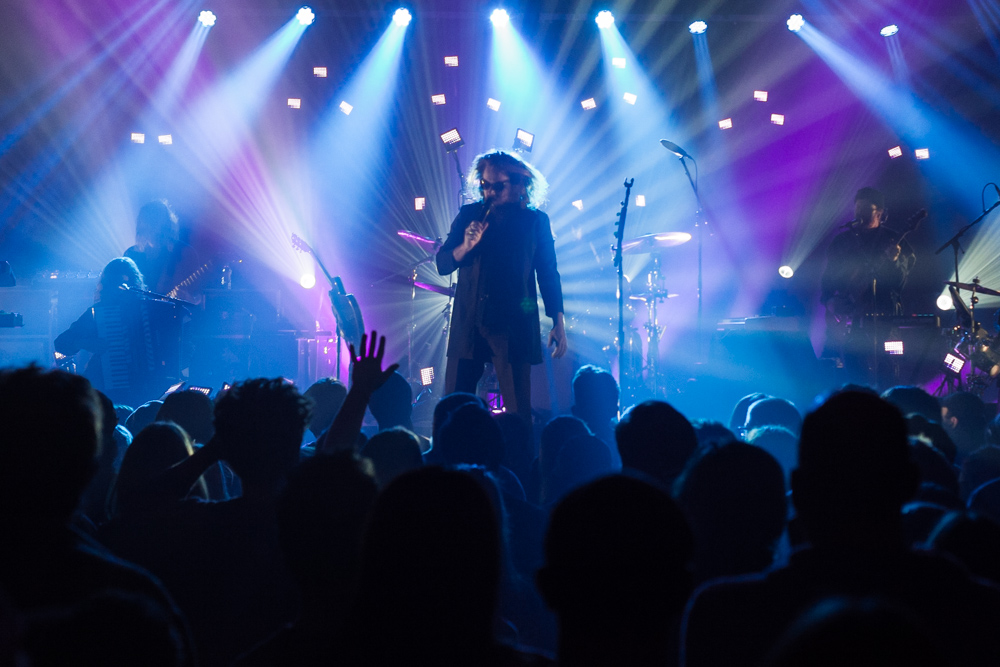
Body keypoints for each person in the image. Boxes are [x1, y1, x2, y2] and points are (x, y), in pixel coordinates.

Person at [436, 150, 567, 422]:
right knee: (453, 410)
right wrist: (465, 246)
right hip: (469, 320)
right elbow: (443, 262)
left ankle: (518, 459)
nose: (489, 192)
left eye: (498, 186)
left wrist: (558, 320)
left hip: (513, 324)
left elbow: (547, 271)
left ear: (520, 185)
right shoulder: (470, 213)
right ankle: (448, 461)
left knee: (518, 411)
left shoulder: (535, 221)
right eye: (484, 185)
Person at [54, 257, 183, 405]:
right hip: (106, 388)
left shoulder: (154, 310)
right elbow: (61, 343)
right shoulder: (99, 312)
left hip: (148, 387)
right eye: (117, 283)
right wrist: (86, 342)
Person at [821, 187, 916, 385]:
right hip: (850, 319)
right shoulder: (843, 240)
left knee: (888, 371)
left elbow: (899, 284)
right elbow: (828, 279)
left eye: (866, 208)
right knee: (853, 372)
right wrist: (830, 302)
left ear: (880, 213)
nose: (859, 213)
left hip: (884, 318)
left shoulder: (892, 240)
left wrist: (894, 261)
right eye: (857, 208)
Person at [124, 200, 201, 301]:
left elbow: (199, 296)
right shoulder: (132, 254)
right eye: (147, 222)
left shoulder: (184, 252)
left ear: (165, 225)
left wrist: (189, 298)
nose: (151, 227)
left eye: (155, 221)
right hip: (140, 315)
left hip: (174, 314)